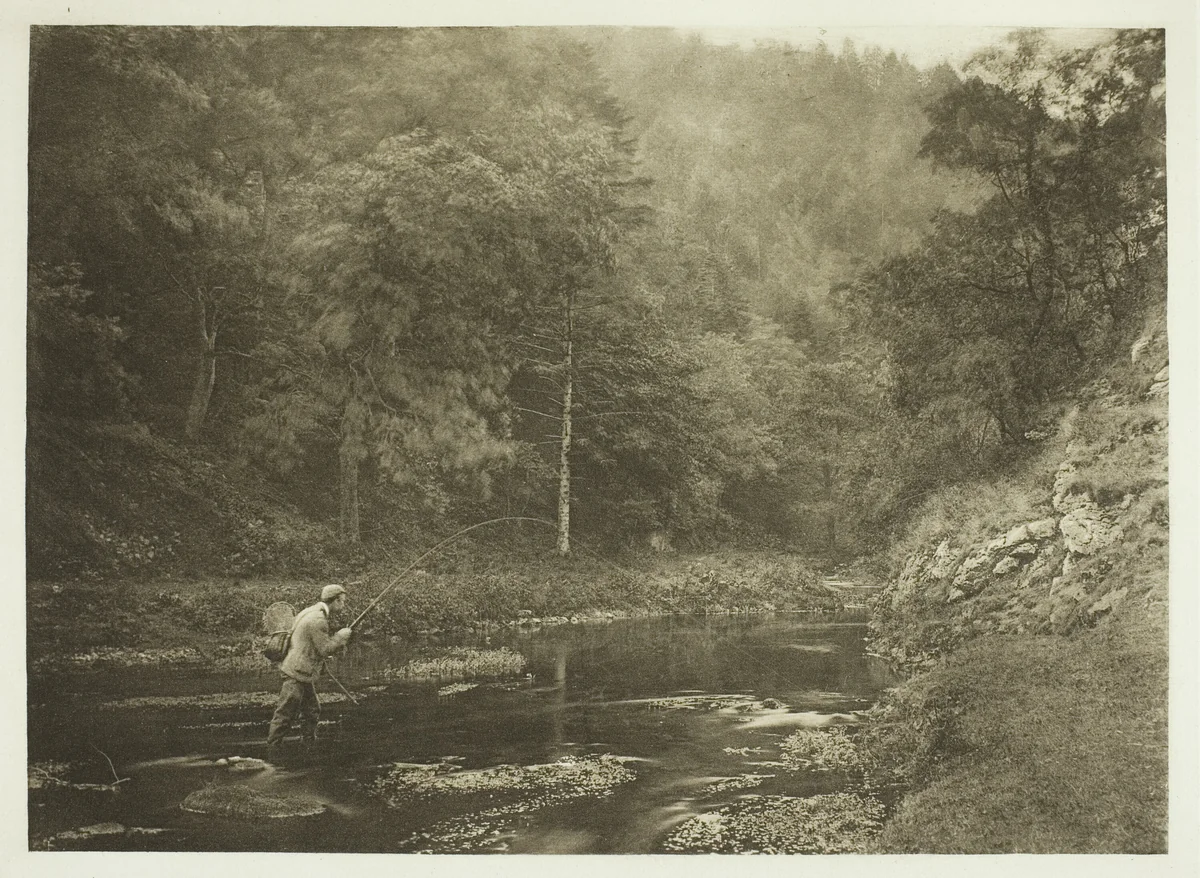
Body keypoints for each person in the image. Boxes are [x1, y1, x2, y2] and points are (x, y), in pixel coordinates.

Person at [266, 584, 353, 758]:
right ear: (335, 601)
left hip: (300, 669)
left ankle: (308, 745)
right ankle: (272, 750)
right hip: (297, 672)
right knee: (285, 712)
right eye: (342, 602)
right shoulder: (318, 620)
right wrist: (341, 636)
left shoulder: (310, 611)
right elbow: (325, 649)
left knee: (312, 709)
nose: (343, 606)